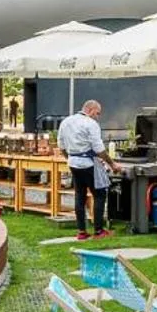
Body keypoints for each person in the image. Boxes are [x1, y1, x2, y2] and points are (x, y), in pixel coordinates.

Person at [58, 100, 112, 240]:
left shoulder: (66, 121)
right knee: (99, 194)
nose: (98, 116)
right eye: (97, 113)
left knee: (79, 196)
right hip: (88, 163)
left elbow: (61, 146)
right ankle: (99, 230)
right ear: (91, 109)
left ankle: (81, 231)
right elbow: (99, 149)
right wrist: (112, 164)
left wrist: (69, 158)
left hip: (73, 163)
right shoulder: (91, 124)